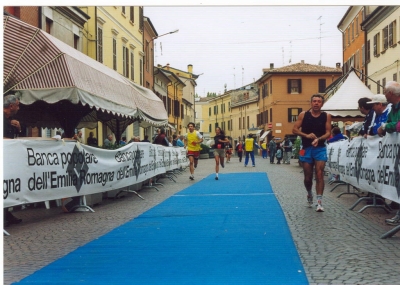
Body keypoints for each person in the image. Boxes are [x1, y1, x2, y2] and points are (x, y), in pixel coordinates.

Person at [293, 94, 332, 212]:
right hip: (306, 147)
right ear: (310, 103)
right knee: (308, 177)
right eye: (314, 101)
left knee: (320, 174)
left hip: (320, 148)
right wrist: (306, 135)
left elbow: (328, 132)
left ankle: (319, 201)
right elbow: (294, 130)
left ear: (322, 104)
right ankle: (309, 193)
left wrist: (319, 139)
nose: (316, 103)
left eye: (319, 101)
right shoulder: (303, 115)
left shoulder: (326, 116)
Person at [379, 81, 400, 223]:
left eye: (385, 91)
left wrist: (386, 126)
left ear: (390, 93)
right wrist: (386, 126)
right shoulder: (393, 108)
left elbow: (397, 125)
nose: (384, 94)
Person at [3, 94, 23, 226]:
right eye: (17, 105)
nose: (19, 108)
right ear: (11, 106)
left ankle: (6, 214)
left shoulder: (8, 120)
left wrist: (19, 128)